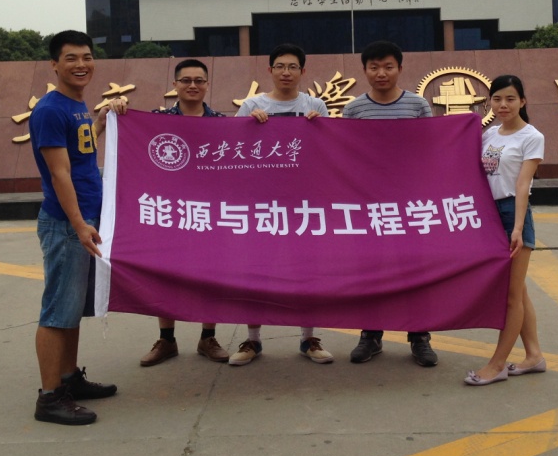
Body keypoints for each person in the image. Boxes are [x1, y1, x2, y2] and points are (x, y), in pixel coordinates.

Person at [30, 30, 128, 424]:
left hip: (86, 219)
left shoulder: (76, 105)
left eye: (87, 57)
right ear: (54, 64)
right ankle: (49, 397)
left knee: (72, 310)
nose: (81, 64)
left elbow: (81, 151)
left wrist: (100, 123)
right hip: (68, 224)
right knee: (58, 310)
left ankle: (69, 378)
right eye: (71, 58)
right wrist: (78, 224)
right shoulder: (50, 110)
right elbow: (59, 172)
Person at [230, 43, 333, 365]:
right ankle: (252, 340)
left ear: (303, 71)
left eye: (292, 67)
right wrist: (248, 127)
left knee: (306, 270)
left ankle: (308, 338)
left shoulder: (315, 105)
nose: (286, 72)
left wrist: (322, 127)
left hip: (304, 204)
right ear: (270, 70)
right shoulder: (251, 105)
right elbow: (231, 149)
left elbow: (331, 152)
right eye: (280, 66)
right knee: (256, 271)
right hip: (261, 204)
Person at [341, 40, 438, 367]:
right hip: (368, 206)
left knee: (414, 269)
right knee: (370, 270)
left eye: (388, 67)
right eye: (374, 67)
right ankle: (370, 335)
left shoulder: (417, 105)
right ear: (364, 70)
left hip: (410, 205)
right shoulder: (354, 109)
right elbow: (344, 154)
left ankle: (420, 336)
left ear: (400, 68)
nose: (381, 73)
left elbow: (431, 149)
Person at [140, 58, 230, 366]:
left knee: (210, 274)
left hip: (209, 212)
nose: (193, 85)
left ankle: (208, 337)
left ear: (207, 84)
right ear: (175, 85)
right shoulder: (157, 120)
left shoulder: (221, 122)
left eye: (199, 80)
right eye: (186, 80)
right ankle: (167, 339)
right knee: (165, 274)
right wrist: (116, 111)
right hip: (170, 212)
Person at [464, 74, 546, 386]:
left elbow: (523, 185)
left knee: (511, 296)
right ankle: (534, 355)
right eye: (497, 99)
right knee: (518, 290)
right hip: (489, 213)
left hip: (513, 212)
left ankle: (497, 365)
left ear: (522, 101)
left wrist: (518, 228)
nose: (503, 105)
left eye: (510, 99)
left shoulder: (531, 137)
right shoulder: (489, 134)